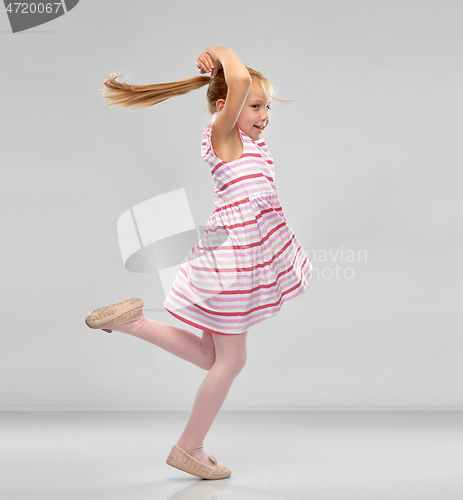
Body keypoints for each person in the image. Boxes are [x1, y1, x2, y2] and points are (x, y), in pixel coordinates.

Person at [85, 46, 313, 480]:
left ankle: (133, 322)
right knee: (231, 360)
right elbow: (239, 80)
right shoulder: (221, 136)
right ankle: (189, 447)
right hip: (232, 260)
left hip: (228, 255)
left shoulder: (251, 148)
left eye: (268, 107)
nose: (265, 115)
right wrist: (221, 53)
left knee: (214, 354)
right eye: (256, 105)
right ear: (225, 108)